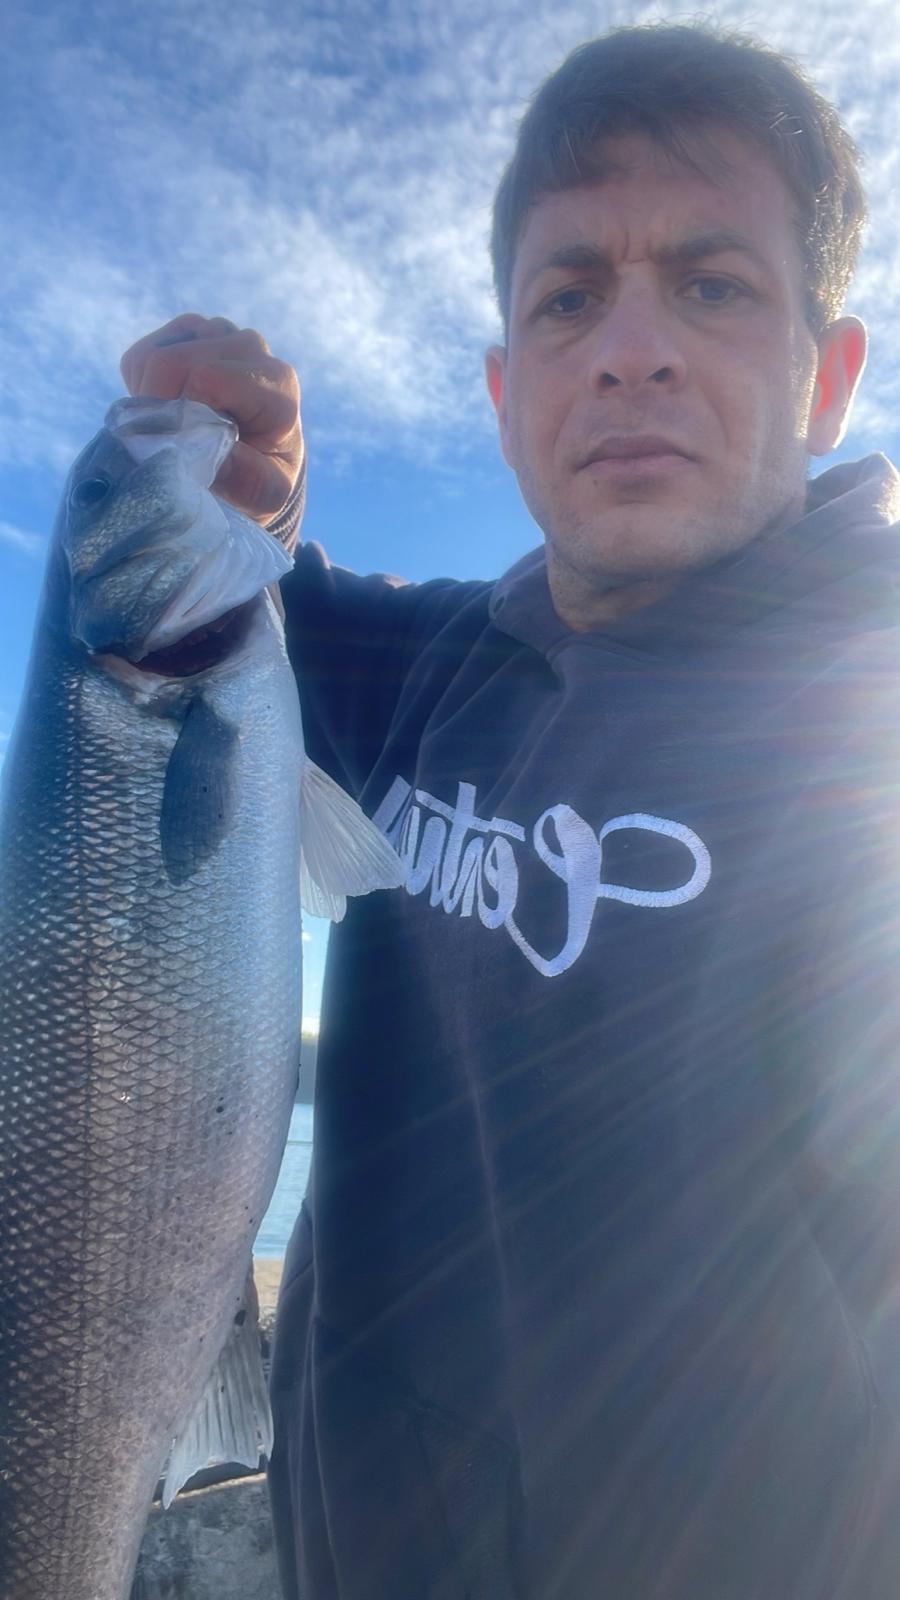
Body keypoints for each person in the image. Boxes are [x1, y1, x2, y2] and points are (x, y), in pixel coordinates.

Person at [121, 23, 900, 1599]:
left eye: (713, 283)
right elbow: (217, 615)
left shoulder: (862, 737)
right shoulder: (425, 666)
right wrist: (253, 493)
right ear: (501, 391)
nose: (631, 349)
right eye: (567, 298)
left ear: (829, 377)